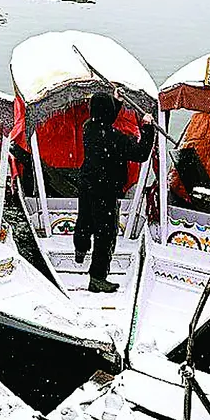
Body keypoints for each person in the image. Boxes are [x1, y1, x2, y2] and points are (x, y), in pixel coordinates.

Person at [75, 89, 156, 293]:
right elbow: (141, 154)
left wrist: (117, 102)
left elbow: (105, 118)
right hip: (106, 191)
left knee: (84, 220)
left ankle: (80, 249)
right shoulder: (116, 138)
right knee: (105, 234)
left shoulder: (89, 128)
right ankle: (97, 278)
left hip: (87, 185)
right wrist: (147, 128)